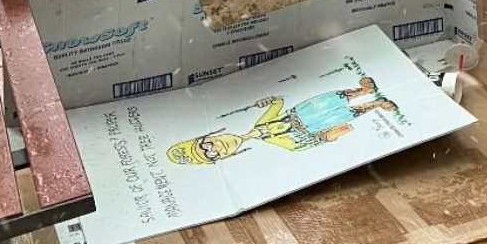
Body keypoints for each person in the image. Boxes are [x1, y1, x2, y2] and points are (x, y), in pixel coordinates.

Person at [166, 77, 399, 165]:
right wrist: (331, 135)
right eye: (213, 154)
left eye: (208, 144)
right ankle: (377, 103)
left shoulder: (259, 125)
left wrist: (268, 100)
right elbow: (307, 143)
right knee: (342, 114)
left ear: (211, 135)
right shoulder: (278, 144)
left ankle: (362, 91)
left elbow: (277, 103)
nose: (218, 147)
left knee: (327, 100)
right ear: (224, 157)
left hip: (301, 111)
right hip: (312, 125)